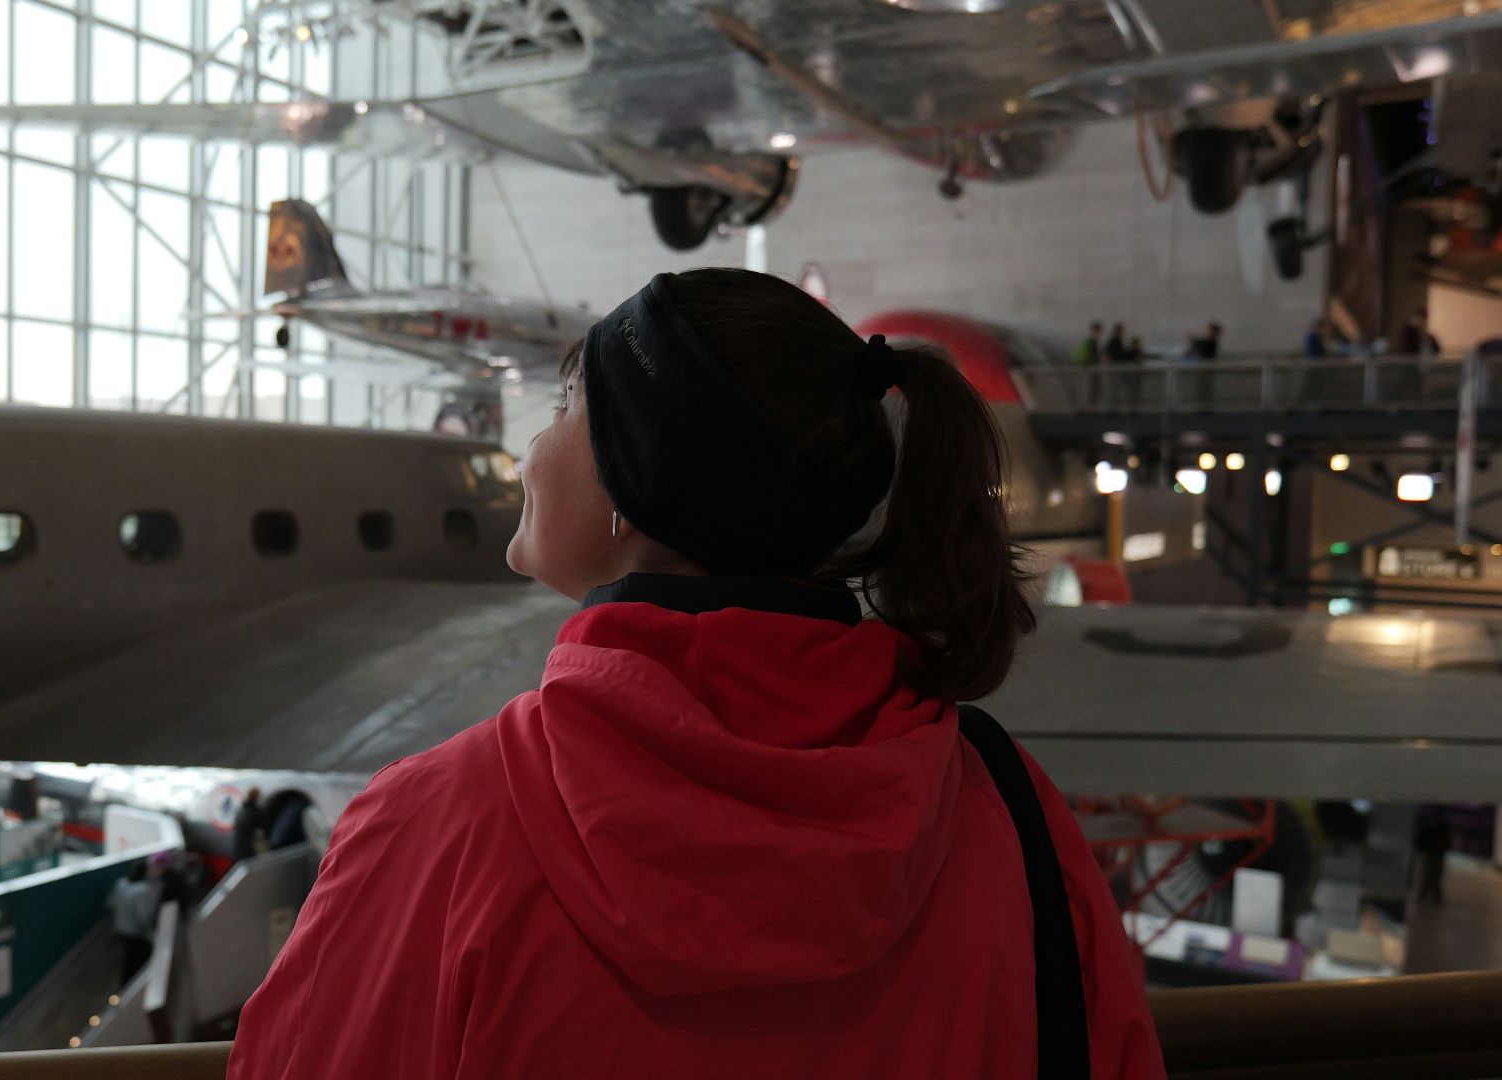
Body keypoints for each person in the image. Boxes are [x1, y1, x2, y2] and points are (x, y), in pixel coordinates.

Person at [230, 270, 1161, 1079]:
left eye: (564, 408)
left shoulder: (430, 835)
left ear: (632, 492)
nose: (527, 452)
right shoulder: (1012, 816)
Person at [108, 855, 169, 983]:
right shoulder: (144, 890)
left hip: (120, 929)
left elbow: (111, 904)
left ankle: (122, 992)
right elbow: (144, 915)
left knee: (128, 961)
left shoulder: (121, 884)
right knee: (135, 963)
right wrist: (151, 931)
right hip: (136, 934)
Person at [1416, 811, 1452, 906]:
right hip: (1431, 854)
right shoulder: (1432, 830)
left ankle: (1433, 897)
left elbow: (1447, 842)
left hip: (1436, 854)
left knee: (1434, 876)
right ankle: (1426, 896)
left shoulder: (1440, 830)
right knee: (1428, 876)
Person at [230, 786, 267, 864]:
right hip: (247, 848)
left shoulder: (241, 810)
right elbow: (263, 828)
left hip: (237, 847)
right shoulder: (255, 813)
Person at [1073, 320, 1102, 408]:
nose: (1100, 332)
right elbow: (1093, 356)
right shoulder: (1092, 341)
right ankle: (1087, 407)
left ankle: (1085, 406)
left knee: (1086, 388)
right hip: (1089, 368)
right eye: (1099, 330)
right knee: (1088, 388)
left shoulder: (1090, 341)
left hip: (1085, 367)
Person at [1104, 323, 1133, 409]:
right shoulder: (1116, 341)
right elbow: (1119, 354)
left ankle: (1114, 407)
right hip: (1116, 366)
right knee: (1115, 388)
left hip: (1115, 366)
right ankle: (1113, 407)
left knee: (1115, 388)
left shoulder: (1114, 341)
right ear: (1118, 331)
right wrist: (1131, 354)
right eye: (1122, 331)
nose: (1123, 332)